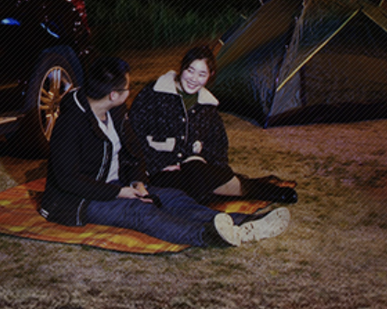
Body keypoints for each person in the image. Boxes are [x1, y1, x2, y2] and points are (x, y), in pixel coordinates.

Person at [39, 56, 289, 247]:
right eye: (126, 89)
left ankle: (242, 224)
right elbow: (67, 180)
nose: (129, 92)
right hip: (78, 199)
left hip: (117, 184)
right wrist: (120, 192)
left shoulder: (114, 111)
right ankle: (206, 236)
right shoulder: (71, 123)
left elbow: (133, 150)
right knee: (140, 211)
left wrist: (137, 180)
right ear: (112, 94)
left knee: (172, 198)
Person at [126, 45, 298, 204]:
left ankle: (267, 192)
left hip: (195, 169)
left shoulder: (207, 105)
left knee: (201, 173)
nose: (194, 79)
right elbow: (133, 135)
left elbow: (217, 144)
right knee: (191, 186)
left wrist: (207, 165)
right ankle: (250, 193)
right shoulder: (153, 94)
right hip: (159, 170)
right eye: (190, 70)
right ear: (182, 69)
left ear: (210, 76)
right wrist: (157, 164)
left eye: (202, 74)